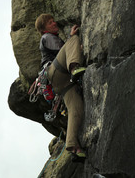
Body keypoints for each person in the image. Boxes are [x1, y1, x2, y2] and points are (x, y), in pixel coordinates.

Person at [35, 14, 86, 161]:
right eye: (50, 23)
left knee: (76, 108)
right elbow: (63, 49)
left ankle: (72, 146)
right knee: (74, 40)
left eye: (53, 21)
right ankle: (74, 67)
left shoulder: (51, 37)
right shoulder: (46, 38)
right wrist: (72, 38)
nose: (54, 23)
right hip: (55, 72)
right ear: (44, 29)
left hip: (61, 83)